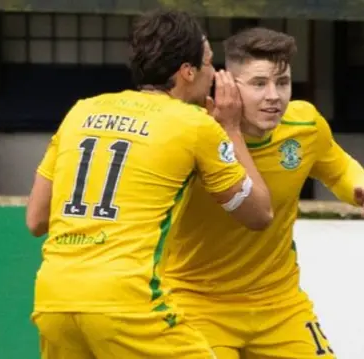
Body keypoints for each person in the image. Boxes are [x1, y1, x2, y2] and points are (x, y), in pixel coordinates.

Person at [25, 10, 274, 359]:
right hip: (128, 302)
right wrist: (231, 129)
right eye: (208, 64)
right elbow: (259, 214)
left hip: (54, 300)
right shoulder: (193, 124)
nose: (213, 77)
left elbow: (36, 219)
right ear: (187, 71)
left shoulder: (81, 111)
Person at [166, 27, 364, 359]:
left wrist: (360, 189)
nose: (274, 96)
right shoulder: (194, 131)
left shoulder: (305, 124)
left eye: (282, 82)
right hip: (196, 301)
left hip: (279, 303)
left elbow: (339, 167)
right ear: (227, 84)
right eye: (259, 84)